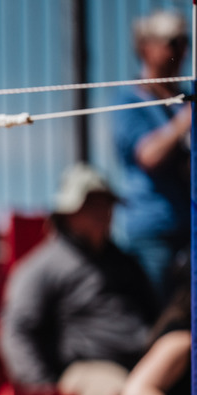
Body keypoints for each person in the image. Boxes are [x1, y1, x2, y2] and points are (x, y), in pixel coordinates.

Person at [0, 163, 159, 395]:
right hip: (83, 372)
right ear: (68, 213)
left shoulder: (128, 264)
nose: (102, 213)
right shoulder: (43, 267)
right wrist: (45, 392)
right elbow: (16, 330)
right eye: (91, 205)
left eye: (106, 205)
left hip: (143, 368)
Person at [111, 9, 191, 304]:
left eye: (185, 42)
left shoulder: (187, 95)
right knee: (163, 322)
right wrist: (185, 121)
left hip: (189, 226)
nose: (181, 50)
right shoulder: (129, 100)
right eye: (172, 42)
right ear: (146, 47)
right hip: (153, 234)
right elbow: (149, 155)